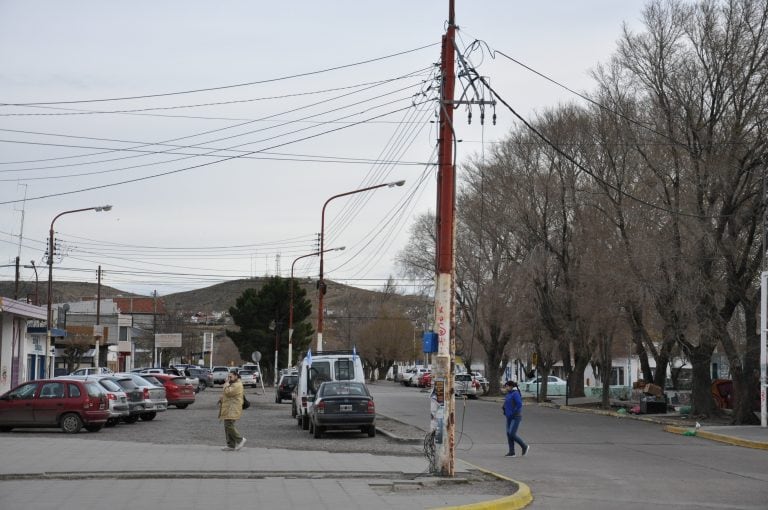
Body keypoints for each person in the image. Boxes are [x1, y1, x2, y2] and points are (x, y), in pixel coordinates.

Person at [218, 370, 246, 451]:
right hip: (229, 408)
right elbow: (228, 395)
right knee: (227, 425)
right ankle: (231, 445)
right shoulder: (233, 384)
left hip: (233, 408)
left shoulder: (238, 385)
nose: (229, 378)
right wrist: (222, 399)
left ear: (236, 376)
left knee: (229, 424)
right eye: (228, 376)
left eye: (231, 376)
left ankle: (240, 440)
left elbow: (228, 392)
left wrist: (226, 383)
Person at [502, 380, 529, 457]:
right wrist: (504, 409)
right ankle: (511, 452)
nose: (505, 388)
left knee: (512, 433)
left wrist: (513, 412)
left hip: (516, 417)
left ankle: (524, 446)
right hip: (509, 417)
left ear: (510, 386)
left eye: (506, 386)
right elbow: (507, 404)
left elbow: (519, 404)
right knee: (508, 433)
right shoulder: (508, 394)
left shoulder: (515, 393)